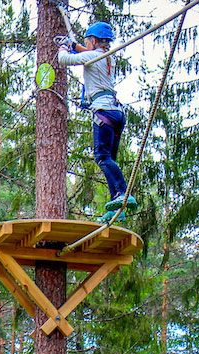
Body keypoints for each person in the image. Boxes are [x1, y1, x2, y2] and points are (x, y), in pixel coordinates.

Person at [57, 21, 140, 223]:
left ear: (93, 41)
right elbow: (85, 51)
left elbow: (63, 60)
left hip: (104, 112)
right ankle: (116, 202)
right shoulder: (105, 57)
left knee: (102, 157)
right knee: (109, 159)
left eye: (88, 41)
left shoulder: (94, 56)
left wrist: (63, 47)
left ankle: (121, 192)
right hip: (116, 113)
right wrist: (73, 43)